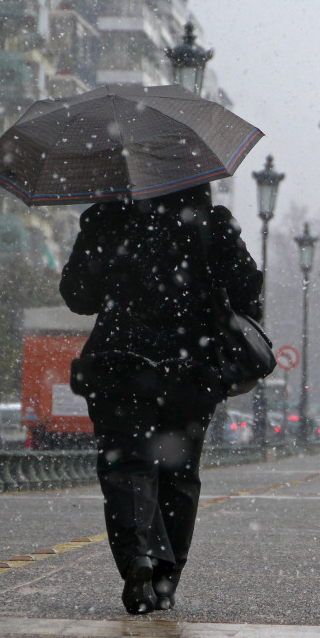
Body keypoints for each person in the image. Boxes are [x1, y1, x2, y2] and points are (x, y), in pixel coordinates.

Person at [60, 183, 262, 614]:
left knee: (126, 464)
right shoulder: (210, 221)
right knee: (179, 471)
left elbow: (77, 296)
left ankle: (138, 556)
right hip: (189, 366)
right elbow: (249, 289)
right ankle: (167, 576)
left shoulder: (106, 218)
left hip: (119, 363)